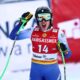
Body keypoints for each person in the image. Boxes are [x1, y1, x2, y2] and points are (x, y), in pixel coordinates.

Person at [9, 7, 72, 80]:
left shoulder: (58, 33)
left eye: (46, 17)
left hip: (52, 71)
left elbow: (67, 55)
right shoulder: (32, 31)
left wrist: (64, 50)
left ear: (51, 19)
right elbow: (13, 36)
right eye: (40, 17)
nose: (43, 21)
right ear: (36, 19)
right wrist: (21, 23)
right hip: (36, 71)